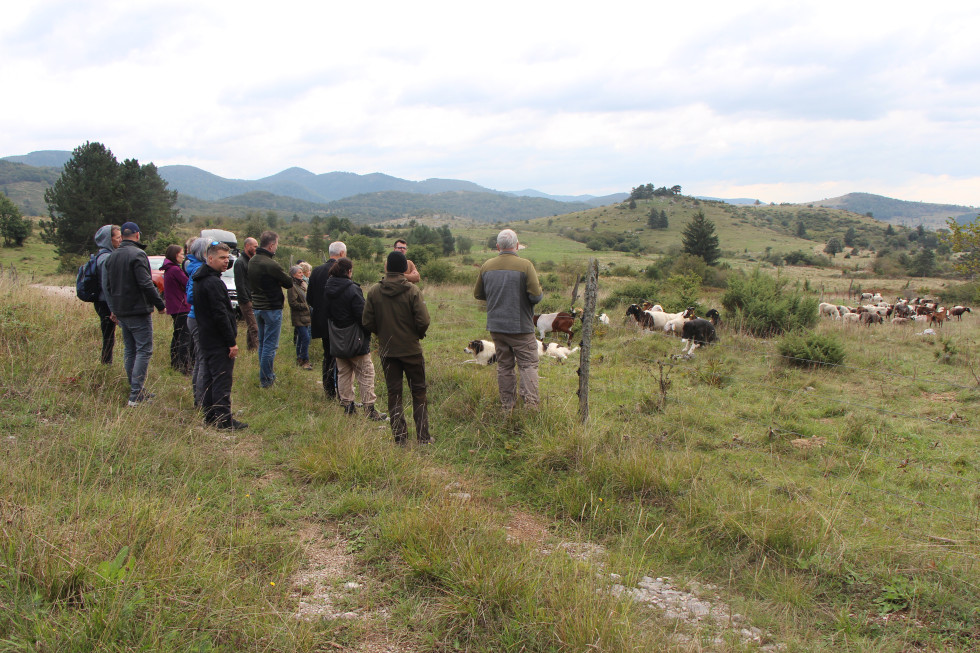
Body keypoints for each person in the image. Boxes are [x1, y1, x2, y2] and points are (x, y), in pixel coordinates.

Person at [363, 251, 431, 443]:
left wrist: (382, 333)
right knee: (419, 392)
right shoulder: (412, 291)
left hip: (388, 350)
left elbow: (367, 321)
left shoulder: (375, 291)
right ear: (403, 269)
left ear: (387, 268)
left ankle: (400, 438)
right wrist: (416, 335)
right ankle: (423, 437)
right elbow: (423, 320)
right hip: (411, 350)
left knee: (394, 393)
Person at [474, 228, 543, 411]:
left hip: (497, 327)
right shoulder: (526, 265)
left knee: (504, 367)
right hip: (521, 326)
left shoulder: (487, 266)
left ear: (498, 247)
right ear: (517, 245)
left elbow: (478, 294)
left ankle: (507, 407)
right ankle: (531, 406)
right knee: (528, 365)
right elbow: (536, 297)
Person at [102, 221, 166, 407]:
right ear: (137, 235)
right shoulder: (138, 254)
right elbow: (146, 283)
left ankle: (135, 390)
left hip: (121, 311)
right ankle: (136, 395)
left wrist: (113, 309)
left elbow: (108, 286)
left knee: (130, 350)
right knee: (144, 350)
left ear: (122, 236)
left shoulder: (112, 256)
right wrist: (160, 304)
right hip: (137, 310)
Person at [192, 241, 247, 430]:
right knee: (222, 379)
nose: (226, 261)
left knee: (208, 377)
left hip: (207, 337)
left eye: (228, 257)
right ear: (210, 258)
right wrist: (231, 342)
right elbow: (220, 315)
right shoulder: (213, 282)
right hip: (217, 339)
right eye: (222, 258)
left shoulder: (200, 278)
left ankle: (209, 416)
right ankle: (223, 420)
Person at [324, 258, 386, 420]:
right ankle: (370, 410)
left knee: (343, 373)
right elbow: (363, 316)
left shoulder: (328, 287)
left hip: (337, 337)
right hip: (355, 338)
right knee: (366, 373)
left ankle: (348, 408)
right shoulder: (352, 289)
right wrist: (369, 332)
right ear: (349, 271)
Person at [247, 230, 293, 388]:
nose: (276, 248)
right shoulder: (270, 263)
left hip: (258, 306)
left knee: (262, 342)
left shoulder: (253, 260)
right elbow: (288, 282)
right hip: (271, 307)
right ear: (272, 245)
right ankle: (266, 379)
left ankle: (264, 375)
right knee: (270, 345)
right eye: (277, 245)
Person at [307, 241, 346, 398]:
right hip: (338, 322)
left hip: (321, 321)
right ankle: (341, 391)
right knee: (341, 358)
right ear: (342, 253)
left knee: (327, 356)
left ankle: (329, 391)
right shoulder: (342, 271)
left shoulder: (316, 271)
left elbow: (309, 298)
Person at [184, 237, 208, 406]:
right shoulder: (199, 269)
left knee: (201, 359)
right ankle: (201, 400)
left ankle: (199, 398)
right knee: (203, 359)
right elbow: (191, 296)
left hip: (196, 317)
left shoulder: (195, 267)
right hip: (198, 318)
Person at [92, 224, 121, 365]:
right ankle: (106, 364)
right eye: (118, 237)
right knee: (108, 336)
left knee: (109, 335)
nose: (120, 240)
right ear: (109, 240)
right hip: (105, 303)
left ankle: (106, 363)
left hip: (104, 302)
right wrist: (113, 309)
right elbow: (107, 285)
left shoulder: (104, 255)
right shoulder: (106, 258)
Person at [162, 244, 193, 375]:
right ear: (175, 255)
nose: (183, 257)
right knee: (184, 338)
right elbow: (188, 283)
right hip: (181, 306)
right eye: (181, 254)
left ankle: (175, 363)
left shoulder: (169, 269)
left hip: (175, 307)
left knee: (177, 336)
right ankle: (184, 367)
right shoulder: (175, 270)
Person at [233, 237, 259, 351]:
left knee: (251, 326)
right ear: (247, 246)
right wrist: (246, 300)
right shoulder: (240, 262)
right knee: (254, 327)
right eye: (254, 246)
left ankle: (251, 349)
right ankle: (257, 350)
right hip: (246, 300)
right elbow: (239, 284)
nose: (256, 249)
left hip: (253, 298)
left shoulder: (251, 261)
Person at [287, 264, 313, 370]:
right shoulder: (292, 287)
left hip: (305, 316)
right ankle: (304, 360)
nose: (302, 274)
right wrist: (305, 306)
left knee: (301, 339)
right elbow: (292, 303)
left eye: (302, 272)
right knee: (306, 338)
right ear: (293, 275)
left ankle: (299, 358)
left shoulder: (301, 285)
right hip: (299, 316)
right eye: (299, 273)